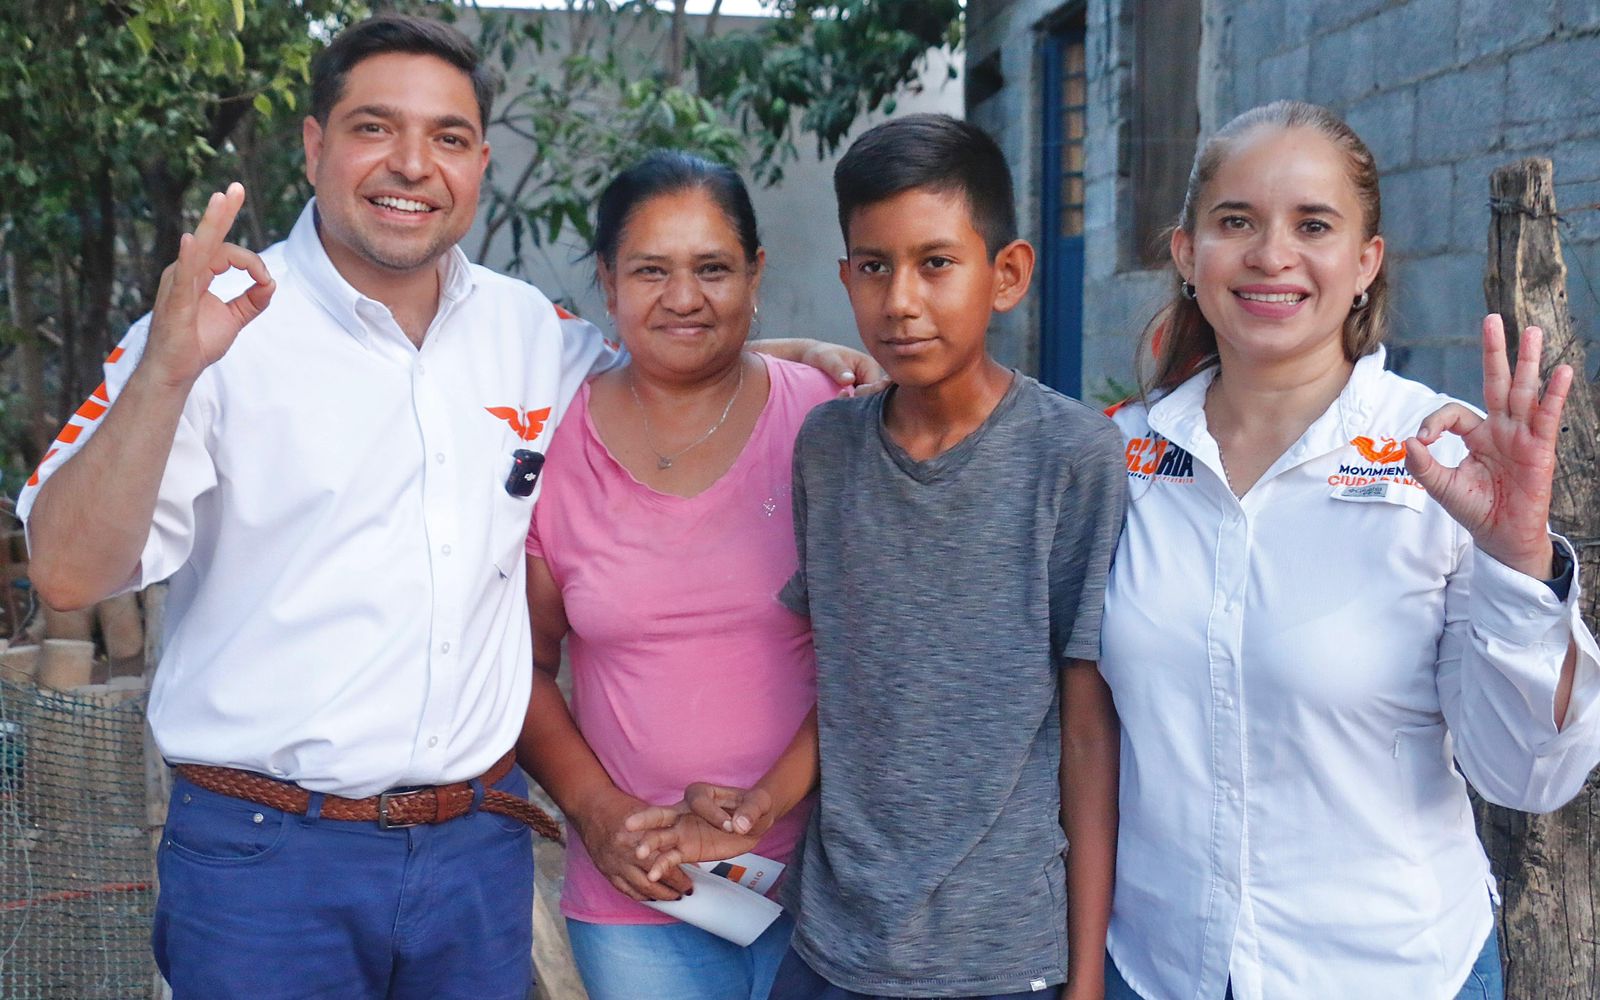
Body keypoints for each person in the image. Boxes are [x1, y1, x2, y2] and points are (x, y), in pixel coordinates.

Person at [15, 15, 873, 998]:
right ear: (314, 144)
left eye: (450, 138)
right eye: (375, 127)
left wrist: (782, 355)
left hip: (473, 854)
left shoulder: (526, 333)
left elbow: (663, 362)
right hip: (267, 861)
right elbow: (66, 571)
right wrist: (166, 369)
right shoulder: (213, 327)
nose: (413, 164)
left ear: (479, 161)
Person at [1097, 100, 1600, 1000]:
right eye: (1236, 221)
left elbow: (1531, 774)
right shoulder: (1120, 456)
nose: (1271, 255)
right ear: (1186, 254)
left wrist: (1518, 560)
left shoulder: (1442, 462)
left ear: (1366, 263)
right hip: (1158, 969)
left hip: (1392, 973)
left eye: (1314, 225)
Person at [630, 113, 1127, 1000]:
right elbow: (854, 687)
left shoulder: (1071, 457)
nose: (900, 300)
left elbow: (1088, 733)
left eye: (936, 263)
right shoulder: (829, 447)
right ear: (845, 277)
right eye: (874, 266)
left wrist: (1086, 978)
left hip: (1001, 957)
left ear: (1005, 274)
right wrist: (762, 806)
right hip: (832, 944)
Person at [514, 150, 837, 1000]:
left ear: (757, 275)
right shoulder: (553, 446)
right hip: (641, 897)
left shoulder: (829, 424)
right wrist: (596, 812)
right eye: (651, 270)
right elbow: (522, 666)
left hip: (832, 890)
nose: (684, 298)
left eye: (713, 269)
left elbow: (885, 654)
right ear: (607, 280)